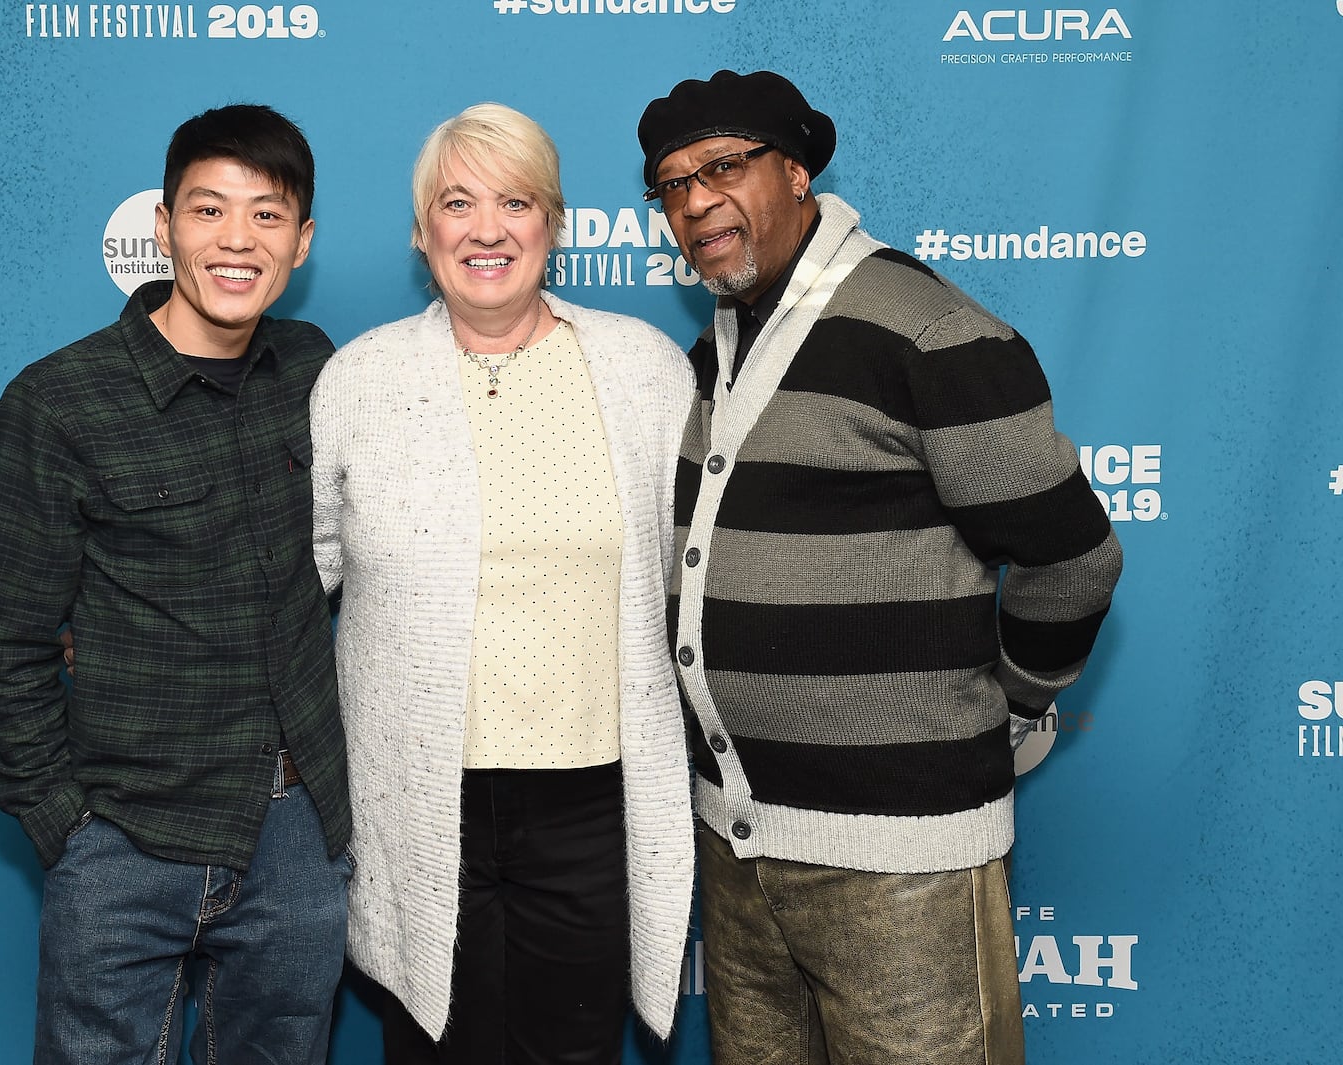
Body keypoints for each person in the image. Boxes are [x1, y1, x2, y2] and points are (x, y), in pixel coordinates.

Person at [637, 70, 1123, 1065]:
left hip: (898, 866)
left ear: (799, 170)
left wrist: (1011, 696)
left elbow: (1072, 557)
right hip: (740, 851)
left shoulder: (926, 329)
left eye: (722, 166)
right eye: (671, 186)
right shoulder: (715, 350)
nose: (694, 201)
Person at [308, 103, 695, 1065]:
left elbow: (699, 580)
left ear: (554, 223)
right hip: (418, 803)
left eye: (516, 201)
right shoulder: (359, 381)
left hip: (592, 806)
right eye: (457, 203)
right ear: (421, 231)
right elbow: (292, 583)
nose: (487, 229)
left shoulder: (645, 372)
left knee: (572, 1053)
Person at [0, 103, 351, 1065]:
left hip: (296, 832)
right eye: (208, 209)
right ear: (164, 226)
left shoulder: (318, 370)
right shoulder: (59, 402)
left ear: (300, 242)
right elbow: (10, 645)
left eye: (266, 216)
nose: (235, 240)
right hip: (126, 836)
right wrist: (70, 827)